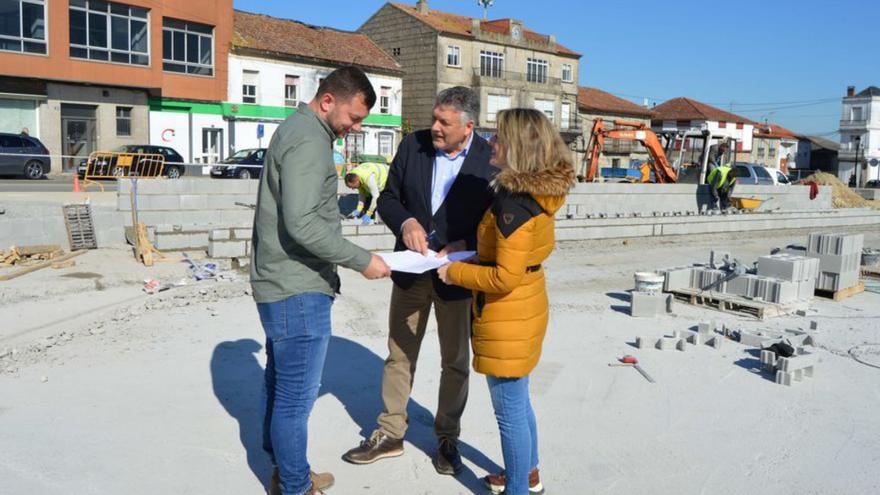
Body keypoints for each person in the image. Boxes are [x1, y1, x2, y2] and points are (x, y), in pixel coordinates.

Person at [250, 66, 391, 495]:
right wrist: (362, 260)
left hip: (281, 281)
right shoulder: (310, 140)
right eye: (354, 117)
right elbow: (303, 225)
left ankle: (287, 471)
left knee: (280, 388)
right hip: (298, 287)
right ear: (327, 100)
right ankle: (294, 486)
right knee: (294, 400)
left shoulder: (300, 130)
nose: (356, 127)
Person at [342, 86, 495, 475]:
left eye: (444, 122)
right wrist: (406, 221)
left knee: (456, 361)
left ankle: (447, 437)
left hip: (458, 275)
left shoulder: (489, 159)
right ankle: (390, 432)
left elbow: (497, 221)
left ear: (468, 126)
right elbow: (389, 197)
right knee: (399, 353)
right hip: (411, 272)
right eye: (434, 118)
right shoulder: (413, 146)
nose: (435, 128)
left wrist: (470, 242)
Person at [437, 108, 575, 495]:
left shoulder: (512, 205)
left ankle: (518, 488)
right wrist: (468, 248)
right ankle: (528, 473)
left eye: (497, 136)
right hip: (526, 306)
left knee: (509, 410)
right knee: (519, 397)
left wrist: (455, 271)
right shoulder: (538, 194)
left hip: (507, 314)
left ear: (516, 146)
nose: (490, 142)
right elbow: (513, 256)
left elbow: (504, 276)